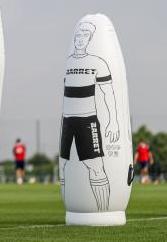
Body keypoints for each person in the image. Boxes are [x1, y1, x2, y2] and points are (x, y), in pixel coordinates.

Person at [59, 21, 119, 212]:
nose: (79, 39)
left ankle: (103, 211)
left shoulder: (97, 63)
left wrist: (113, 122)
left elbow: (108, 93)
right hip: (67, 121)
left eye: (84, 35)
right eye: (77, 35)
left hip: (87, 121)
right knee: (63, 166)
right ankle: (72, 207)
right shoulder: (69, 61)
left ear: (90, 39)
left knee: (96, 166)